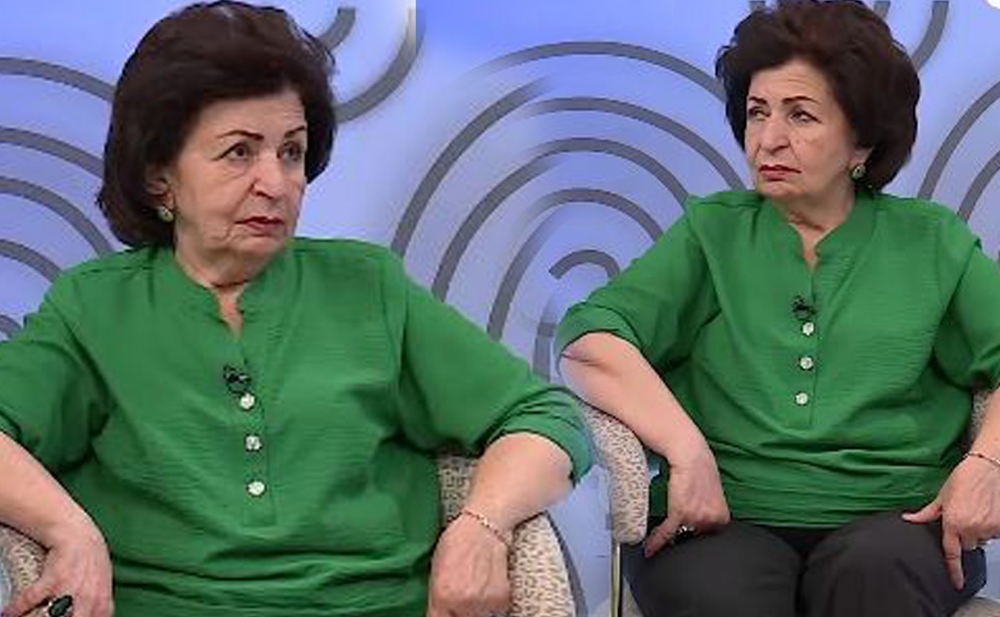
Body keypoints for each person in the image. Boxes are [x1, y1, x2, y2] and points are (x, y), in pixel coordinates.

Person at [0, 3, 591, 617]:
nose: (277, 183)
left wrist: (482, 525)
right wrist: (70, 530)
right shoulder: (95, 308)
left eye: (291, 152)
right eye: (239, 152)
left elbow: (544, 418)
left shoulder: (369, 287)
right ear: (159, 177)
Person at [556, 1, 1000, 616]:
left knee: (873, 575)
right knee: (725, 596)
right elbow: (590, 342)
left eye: (801, 115)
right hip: (723, 517)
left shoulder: (931, 243)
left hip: (897, 518)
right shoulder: (712, 233)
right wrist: (686, 450)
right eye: (757, 112)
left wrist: (986, 461)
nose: (768, 139)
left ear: (862, 141)